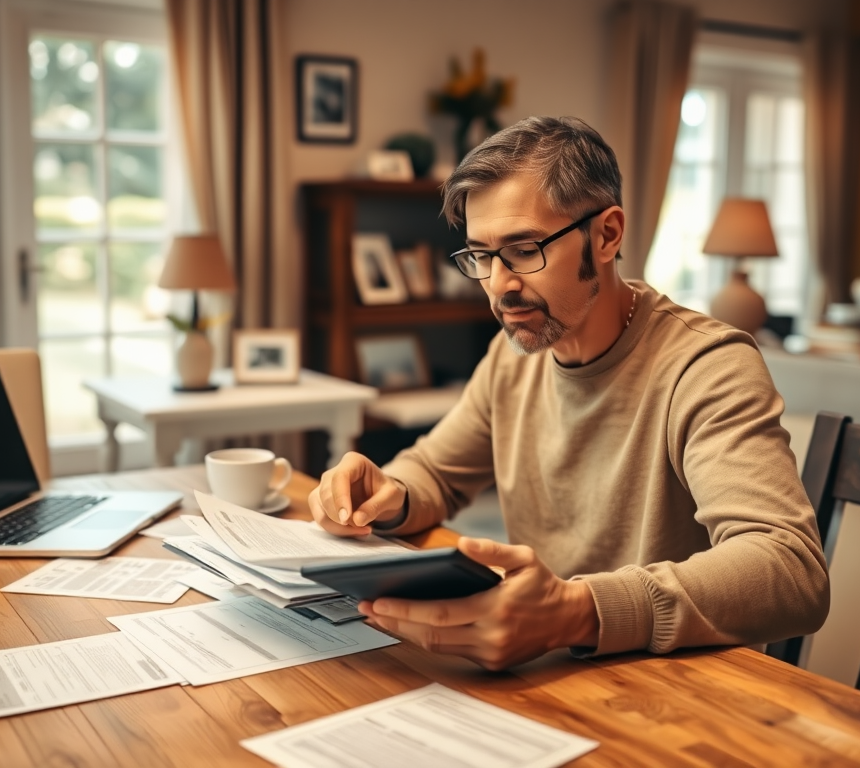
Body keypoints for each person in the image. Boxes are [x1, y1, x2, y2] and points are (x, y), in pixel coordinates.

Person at [308, 115, 830, 670]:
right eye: (480, 256)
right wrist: (388, 493)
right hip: (552, 671)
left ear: (606, 235)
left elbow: (790, 569)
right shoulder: (512, 357)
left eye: (524, 249)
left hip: (677, 686)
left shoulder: (706, 367)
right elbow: (436, 472)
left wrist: (578, 611)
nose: (500, 285)